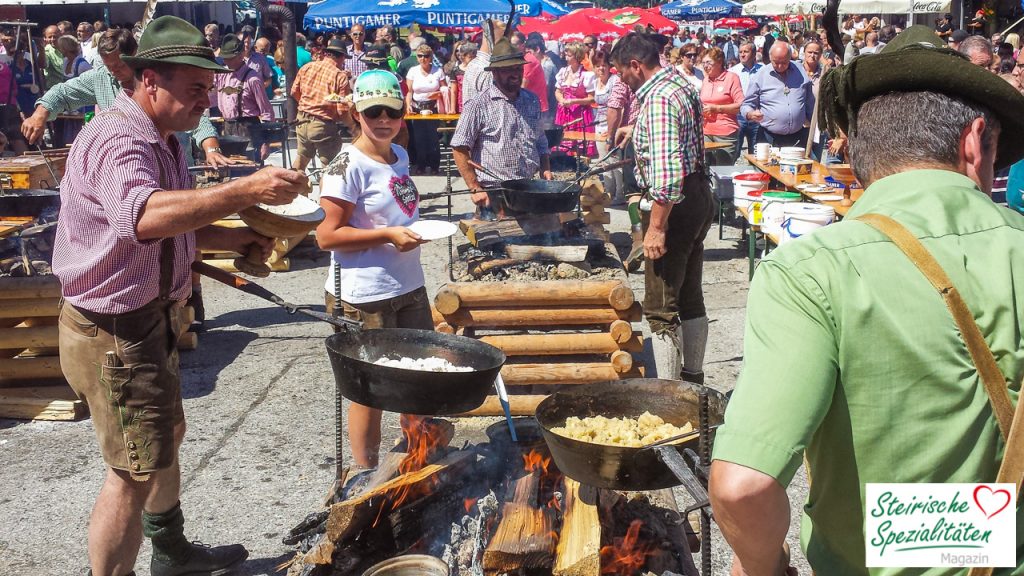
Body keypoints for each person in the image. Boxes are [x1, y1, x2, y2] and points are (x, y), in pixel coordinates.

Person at [709, 25, 1024, 575]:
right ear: (975, 141)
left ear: (852, 152)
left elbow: (742, 487)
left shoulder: (811, 270)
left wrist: (764, 567)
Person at [54, 16, 308, 576]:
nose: (205, 100)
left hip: (146, 321)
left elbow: (171, 230)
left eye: (208, 87)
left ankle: (170, 552)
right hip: (114, 332)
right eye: (194, 88)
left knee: (165, 433)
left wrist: (237, 236)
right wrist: (243, 189)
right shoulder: (122, 136)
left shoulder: (162, 138)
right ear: (149, 80)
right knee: (133, 469)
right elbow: (141, 218)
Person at [316, 69, 430, 471]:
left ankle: (418, 464)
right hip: (364, 295)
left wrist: (409, 231)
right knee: (371, 391)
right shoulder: (345, 166)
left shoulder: (400, 155)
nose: (384, 119)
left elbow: (396, 210)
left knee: (419, 379)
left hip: (409, 284)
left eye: (392, 111)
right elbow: (326, 236)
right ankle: (366, 477)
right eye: (373, 111)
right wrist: (387, 235)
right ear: (355, 113)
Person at [611, 32, 712, 384]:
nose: (620, 78)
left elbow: (667, 176)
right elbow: (678, 136)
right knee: (689, 297)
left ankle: (669, 395)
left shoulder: (658, 100)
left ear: (636, 65)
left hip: (675, 205)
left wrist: (656, 227)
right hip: (699, 195)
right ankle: (692, 379)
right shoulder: (679, 84)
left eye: (621, 71)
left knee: (660, 308)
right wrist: (635, 127)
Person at [451, 38, 552, 219]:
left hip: (529, 189)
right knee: (497, 245)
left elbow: (541, 140)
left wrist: (545, 168)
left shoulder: (531, 100)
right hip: (495, 195)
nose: (515, 74)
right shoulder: (478, 104)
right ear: (495, 72)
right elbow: (459, 148)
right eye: (508, 69)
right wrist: (474, 187)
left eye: (518, 68)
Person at [292, 37, 353, 173]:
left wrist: (308, 105)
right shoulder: (340, 76)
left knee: (301, 160)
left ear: (326, 54)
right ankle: (325, 194)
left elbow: (294, 92)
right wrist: (353, 126)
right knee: (330, 169)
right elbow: (342, 110)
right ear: (342, 57)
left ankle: (287, 192)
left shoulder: (306, 68)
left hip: (302, 120)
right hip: (322, 124)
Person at [213, 35, 274, 162]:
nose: (226, 62)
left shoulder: (253, 79)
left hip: (249, 129)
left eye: (230, 58)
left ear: (241, 56)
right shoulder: (222, 75)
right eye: (225, 58)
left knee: (252, 169)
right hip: (228, 127)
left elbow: (267, 111)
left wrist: (266, 142)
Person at [741, 41, 814, 147]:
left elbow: (809, 102)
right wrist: (750, 114)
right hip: (769, 137)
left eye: (784, 62)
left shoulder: (800, 71)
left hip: (798, 136)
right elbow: (746, 104)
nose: (780, 66)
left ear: (790, 57)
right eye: (776, 62)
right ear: (770, 58)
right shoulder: (760, 75)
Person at [405, 43, 446, 175]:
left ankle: (434, 166)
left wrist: (438, 94)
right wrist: (408, 105)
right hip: (417, 108)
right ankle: (421, 165)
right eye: (420, 56)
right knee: (419, 138)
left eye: (426, 56)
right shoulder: (413, 71)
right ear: (417, 57)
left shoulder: (438, 71)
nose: (423, 59)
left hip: (433, 107)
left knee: (433, 138)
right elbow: (409, 91)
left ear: (431, 57)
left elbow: (445, 90)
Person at [699, 46, 743, 165]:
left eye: (708, 62)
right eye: (703, 63)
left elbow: (740, 106)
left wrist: (717, 109)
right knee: (705, 170)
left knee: (723, 171)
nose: (705, 66)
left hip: (725, 132)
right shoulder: (705, 80)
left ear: (719, 62)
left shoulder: (731, 78)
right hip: (706, 131)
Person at [554, 41, 597, 157]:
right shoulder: (563, 72)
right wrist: (561, 100)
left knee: (579, 149)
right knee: (563, 146)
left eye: (569, 55)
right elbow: (557, 91)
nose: (566, 57)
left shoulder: (587, 75)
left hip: (580, 114)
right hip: (564, 113)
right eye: (566, 54)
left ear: (577, 56)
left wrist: (573, 101)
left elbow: (591, 99)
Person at [592, 50, 622, 202]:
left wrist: (615, 129)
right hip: (599, 124)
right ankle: (609, 193)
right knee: (603, 160)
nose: (601, 69)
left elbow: (618, 106)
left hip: (613, 125)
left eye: (603, 65)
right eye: (597, 66)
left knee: (615, 161)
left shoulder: (615, 80)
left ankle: (620, 193)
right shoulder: (595, 81)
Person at [729, 41, 762, 155]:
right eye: (740, 52)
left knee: (757, 154)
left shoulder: (763, 70)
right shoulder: (733, 72)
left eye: (746, 52)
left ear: (753, 54)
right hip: (738, 117)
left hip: (757, 117)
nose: (742, 55)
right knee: (735, 152)